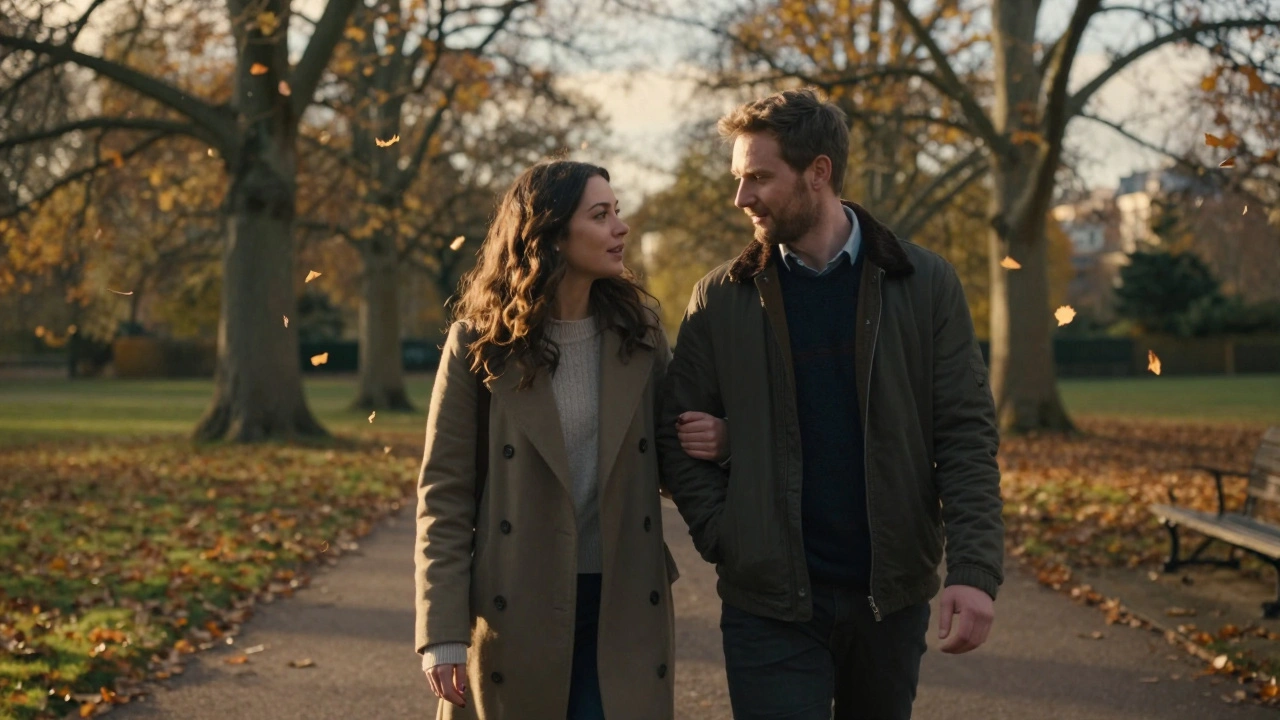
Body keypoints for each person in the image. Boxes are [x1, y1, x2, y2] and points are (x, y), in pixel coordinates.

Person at [657, 88, 1005, 720]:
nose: (742, 198)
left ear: (819, 172)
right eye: (739, 179)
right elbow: (675, 436)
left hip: (890, 599)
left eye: (759, 177)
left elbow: (965, 436)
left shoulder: (925, 285)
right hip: (768, 604)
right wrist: (728, 536)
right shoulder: (720, 299)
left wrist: (974, 572)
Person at [413, 160, 722, 720]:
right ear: (551, 234)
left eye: (617, 213)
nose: (621, 228)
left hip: (624, 602)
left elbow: (671, 461)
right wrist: (441, 631)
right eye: (600, 216)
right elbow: (445, 497)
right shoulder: (479, 344)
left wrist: (720, 444)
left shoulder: (641, 336)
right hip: (515, 608)